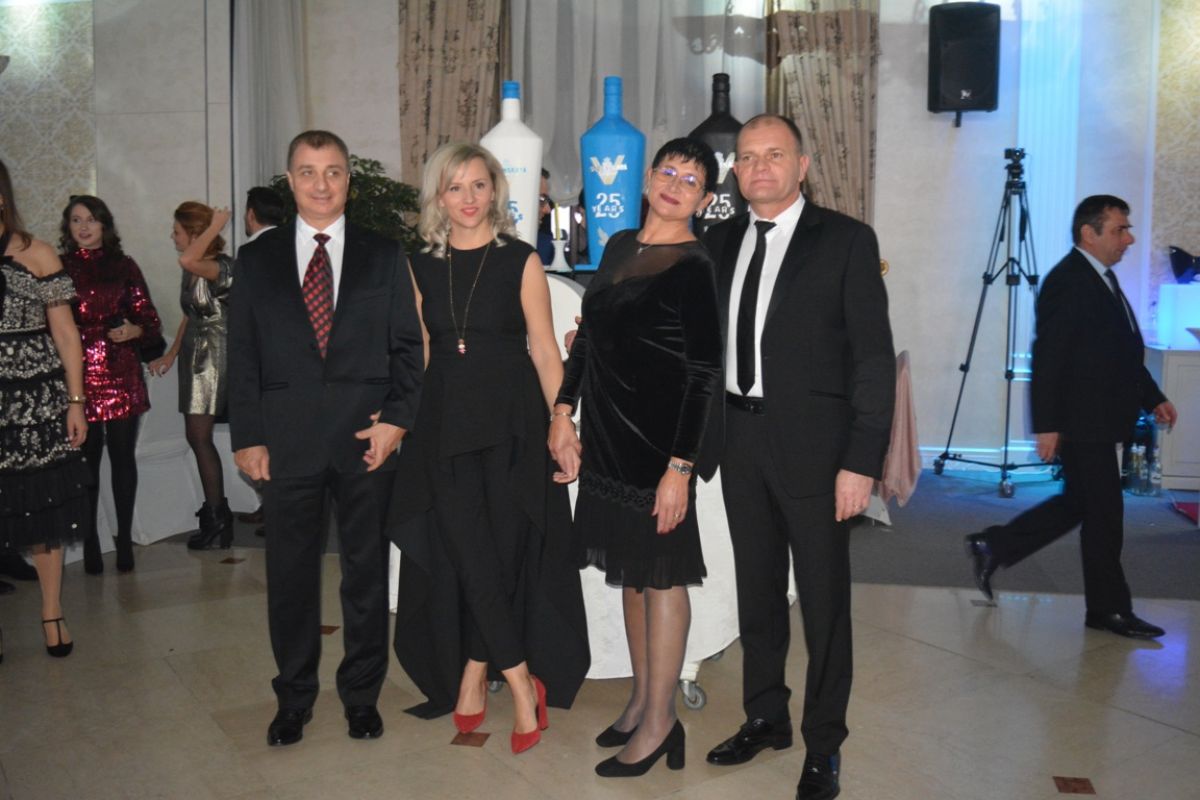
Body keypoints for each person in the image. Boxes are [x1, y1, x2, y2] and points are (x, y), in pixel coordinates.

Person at [699, 115, 895, 800]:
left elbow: (873, 359)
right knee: (756, 593)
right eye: (747, 157)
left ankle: (824, 744)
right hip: (738, 441)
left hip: (819, 453)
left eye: (774, 154)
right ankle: (765, 716)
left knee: (823, 605)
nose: (759, 167)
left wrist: (861, 462)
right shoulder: (717, 241)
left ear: (802, 165)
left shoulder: (845, 240)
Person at [391, 142, 588, 755]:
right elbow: (420, 353)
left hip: (513, 423)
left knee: (500, 556)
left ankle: (476, 672)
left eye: (479, 185)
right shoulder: (418, 266)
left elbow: (545, 350)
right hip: (442, 426)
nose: (469, 198)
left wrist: (564, 421)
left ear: (495, 191)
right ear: (438, 196)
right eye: (455, 187)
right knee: (469, 552)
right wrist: (397, 421)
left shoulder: (520, 260)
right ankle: (522, 684)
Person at [227, 129, 423, 746]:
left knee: (365, 575)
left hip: (366, 440)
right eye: (308, 172)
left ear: (348, 182)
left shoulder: (383, 254)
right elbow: (243, 354)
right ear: (290, 181)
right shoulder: (256, 259)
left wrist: (396, 421)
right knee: (290, 577)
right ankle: (294, 698)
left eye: (333, 171)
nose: (321, 184)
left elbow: (407, 348)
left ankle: (361, 696)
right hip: (285, 441)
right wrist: (248, 436)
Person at [549, 137, 723, 777]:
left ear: (704, 200)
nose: (675, 185)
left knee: (663, 578)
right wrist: (563, 410)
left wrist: (680, 468)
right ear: (649, 178)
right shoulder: (621, 244)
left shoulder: (694, 267)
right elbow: (588, 339)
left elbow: (703, 375)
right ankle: (641, 701)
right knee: (630, 574)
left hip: (659, 448)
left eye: (691, 180)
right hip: (608, 440)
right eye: (668, 171)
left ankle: (660, 722)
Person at [966, 195, 1178, 639]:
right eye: (1119, 230)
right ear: (1089, 232)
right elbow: (1049, 357)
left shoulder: (1101, 277)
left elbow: (1119, 351)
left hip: (1098, 418)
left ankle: (994, 545)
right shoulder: (1068, 280)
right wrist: (1047, 425)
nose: (1129, 239)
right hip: (1083, 421)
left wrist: (1152, 396)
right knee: (1105, 517)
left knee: (1080, 504)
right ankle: (1109, 609)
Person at [0, 158, 91, 657]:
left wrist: (76, 402)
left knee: (41, 508)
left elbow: (66, 334)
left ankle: (52, 611)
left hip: (35, 402)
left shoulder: (36, 252)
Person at [60, 195, 163, 574]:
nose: (84, 227)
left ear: (104, 224)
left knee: (122, 459)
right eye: (76, 220)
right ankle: (90, 542)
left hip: (122, 371)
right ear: (68, 228)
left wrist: (135, 330)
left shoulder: (124, 265)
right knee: (86, 463)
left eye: (91, 219)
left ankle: (123, 543)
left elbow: (151, 322)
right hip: (79, 374)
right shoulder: (59, 268)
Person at [149, 202, 235, 549]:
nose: (172, 237)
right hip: (194, 353)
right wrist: (172, 353)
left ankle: (218, 517)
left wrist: (214, 226)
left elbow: (189, 259)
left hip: (212, 354)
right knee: (196, 437)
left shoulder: (216, 265)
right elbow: (189, 315)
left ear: (195, 234)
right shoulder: (193, 266)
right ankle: (217, 514)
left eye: (178, 231)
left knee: (199, 437)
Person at [234, 186, 286, 537]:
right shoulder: (294, 247)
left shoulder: (251, 254)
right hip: (286, 368)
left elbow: (245, 327)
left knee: (270, 443)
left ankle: (275, 509)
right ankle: (273, 508)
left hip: (266, 371)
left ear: (251, 215)